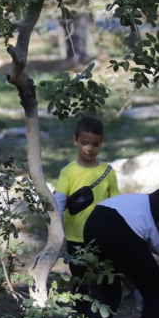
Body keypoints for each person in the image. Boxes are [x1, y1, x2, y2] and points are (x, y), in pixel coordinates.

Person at [53, 116, 120, 292]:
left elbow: (116, 203)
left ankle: (101, 306)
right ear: (75, 141)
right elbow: (59, 199)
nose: (89, 148)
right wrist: (56, 228)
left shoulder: (107, 171)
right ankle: (80, 307)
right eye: (84, 143)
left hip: (101, 235)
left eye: (95, 144)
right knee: (79, 279)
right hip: (75, 237)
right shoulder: (68, 171)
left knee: (102, 277)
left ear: (101, 143)